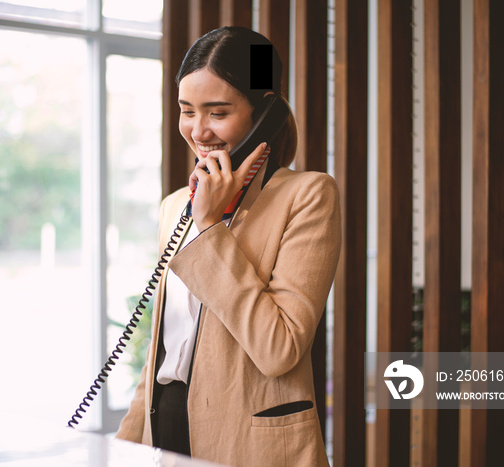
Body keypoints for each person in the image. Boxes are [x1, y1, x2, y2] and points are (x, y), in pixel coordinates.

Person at [116, 26, 340, 467]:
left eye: (217, 113)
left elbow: (280, 348)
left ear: (265, 112)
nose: (198, 131)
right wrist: (123, 446)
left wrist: (210, 226)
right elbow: (163, 351)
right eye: (186, 111)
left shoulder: (308, 195)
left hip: (251, 446)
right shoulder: (175, 206)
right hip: (165, 434)